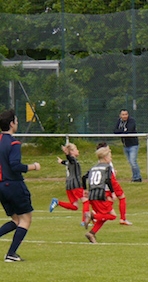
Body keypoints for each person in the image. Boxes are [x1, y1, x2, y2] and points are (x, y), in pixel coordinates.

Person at [0, 109, 41, 262]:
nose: (17, 123)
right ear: (12, 124)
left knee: (16, 220)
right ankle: (11, 254)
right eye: (16, 121)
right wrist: (33, 166)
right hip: (13, 185)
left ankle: (11, 253)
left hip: (1, 186)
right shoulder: (14, 143)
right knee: (25, 219)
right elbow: (15, 165)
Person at [83, 145, 126, 243]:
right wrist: (113, 193)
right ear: (106, 157)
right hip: (100, 195)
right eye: (110, 156)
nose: (111, 159)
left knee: (103, 216)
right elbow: (108, 180)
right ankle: (92, 216)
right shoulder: (107, 167)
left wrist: (85, 189)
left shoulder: (94, 167)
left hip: (92, 195)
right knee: (112, 216)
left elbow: (84, 177)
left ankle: (91, 233)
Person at [49, 143, 91, 227]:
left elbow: (66, 162)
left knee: (75, 206)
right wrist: (67, 154)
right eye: (76, 149)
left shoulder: (70, 162)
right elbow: (70, 159)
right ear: (71, 152)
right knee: (86, 201)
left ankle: (57, 202)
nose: (78, 151)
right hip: (76, 185)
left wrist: (61, 161)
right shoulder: (73, 160)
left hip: (69, 185)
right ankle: (84, 221)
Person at [113, 109, 142, 182]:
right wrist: (123, 130)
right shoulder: (119, 121)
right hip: (125, 145)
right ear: (120, 115)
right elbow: (115, 131)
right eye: (123, 114)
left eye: (126, 114)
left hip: (133, 145)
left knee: (133, 162)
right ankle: (135, 177)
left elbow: (129, 131)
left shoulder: (131, 121)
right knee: (131, 162)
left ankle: (137, 177)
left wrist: (122, 131)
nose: (125, 116)